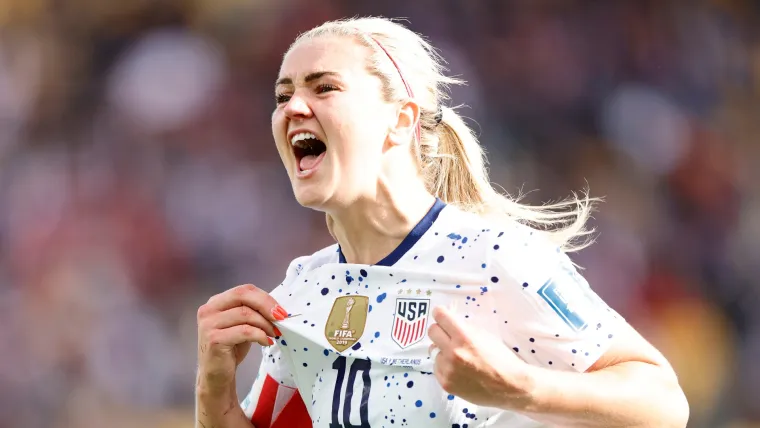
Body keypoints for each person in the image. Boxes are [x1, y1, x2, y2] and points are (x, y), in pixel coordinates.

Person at [195, 16, 689, 428]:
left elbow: (663, 401)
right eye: (283, 96)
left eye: (324, 87)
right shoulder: (303, 289)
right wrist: (214, 387)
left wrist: (519, 388)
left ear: (402, 120)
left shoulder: (495, 258)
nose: (294, 108)